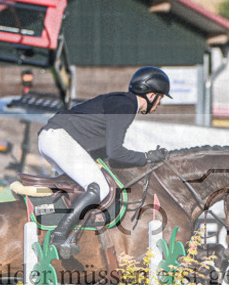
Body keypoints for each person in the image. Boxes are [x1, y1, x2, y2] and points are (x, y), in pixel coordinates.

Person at [37, 66, 170, 257]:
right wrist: (147, 157)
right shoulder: (126, 106)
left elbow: (103, 150)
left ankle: (68, 232)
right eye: (160, 98)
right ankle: (58, 237)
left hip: (53, 138)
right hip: (58, 140)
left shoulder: (121, 102)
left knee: (81, 187)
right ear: (151, 95)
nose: (159, 104)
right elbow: (115, 152)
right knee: (99, 187)